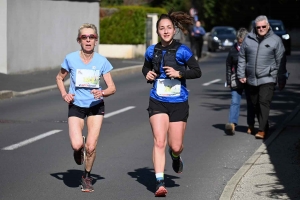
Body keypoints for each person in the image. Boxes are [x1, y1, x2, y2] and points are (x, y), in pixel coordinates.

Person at [142, 10, 202, 197]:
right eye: (162, 28)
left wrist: (179, 74)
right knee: (159, 141)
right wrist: (148, 74)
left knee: (175, 146)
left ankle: (175, 157)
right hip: (157, 101)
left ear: (174, 29)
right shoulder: (152, 50)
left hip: (178, 102)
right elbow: (146, 66)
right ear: (158, 31)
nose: (166, 31)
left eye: (169, 27)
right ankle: (160, 183)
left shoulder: (183, 50)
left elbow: (196, 71)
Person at [56, 23, 116, 192]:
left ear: (96, 40)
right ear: (79, 40)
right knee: (77, 145)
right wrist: (64, 94)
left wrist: (102, 93)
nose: (88, 40)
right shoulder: (70, 59)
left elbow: (112, 87)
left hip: (95, 107)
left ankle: (87, 176)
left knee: (91, 146)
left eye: (92, 37)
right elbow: (59, 78)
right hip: (76, 105)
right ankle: (78, 149)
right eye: (84, 37)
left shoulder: (102, 61)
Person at [237, 15, 287, 139]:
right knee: (255, 104)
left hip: (268, 77)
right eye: (258, 27)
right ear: (255, 27)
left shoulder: (276, 40)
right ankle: (264, 126)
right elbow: (242, 57)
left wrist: (281, 78)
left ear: (268, 26)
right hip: (252, 78)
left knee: (263, 102)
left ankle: (261, 130)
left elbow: (281, 61)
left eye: (263, 26)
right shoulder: (248, 39)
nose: (261, 29)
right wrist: (241, 74)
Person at [225, 28, 256, 135]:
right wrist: (228, 80)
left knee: (251, 103)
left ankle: (251, 125)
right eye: (238, 41)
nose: (240, 44)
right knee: (234, 101)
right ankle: (232, 124)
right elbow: (228, 64)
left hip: (249, 79)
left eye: (242, 42)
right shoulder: (233, 49)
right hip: (236, 79)